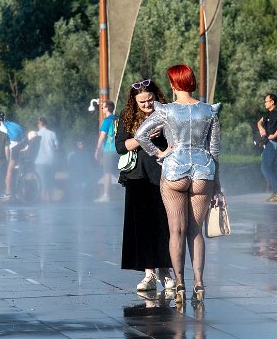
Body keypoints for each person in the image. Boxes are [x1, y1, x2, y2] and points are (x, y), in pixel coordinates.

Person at [135, 64, 220, 304]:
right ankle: (200, 284)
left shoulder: (165, 111)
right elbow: (214, 151)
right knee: (196, 231)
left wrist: (160, 153)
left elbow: (141, 134)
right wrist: (218, 185)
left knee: (176, 231)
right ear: (191, 82)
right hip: (203, 171)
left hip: (174, 171)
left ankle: (180, 284)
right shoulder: (209, 111)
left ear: (173, 84)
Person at [115, 78, 174, 293]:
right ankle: (149, 273)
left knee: (165, 225)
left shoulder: (166, 113)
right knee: (143, 227)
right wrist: (143, 137)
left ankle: (166, 271)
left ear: (156, 96)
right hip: (137, 176)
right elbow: (121, 146)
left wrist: (163, 135)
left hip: (163, 175)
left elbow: (177, 142)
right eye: (142, 102)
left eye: (150, 100)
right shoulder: (127, 117)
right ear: (134, 102)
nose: (147, 104)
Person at [256, 93, 277, 201]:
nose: (265, 103)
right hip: (270, 144)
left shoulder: (275, 113)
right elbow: (259, 122)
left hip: (273, 144)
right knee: (272, 169)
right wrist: (261, 128)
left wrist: (275, 135)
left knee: (265, 168)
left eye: (266, 101)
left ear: (272, 102)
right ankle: (276, 193)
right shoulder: (268, 114)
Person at [0, 112, 24, 201]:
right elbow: (21, 138)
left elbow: (2, 141)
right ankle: (12, 191)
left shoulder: (1, 127)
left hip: (10, 149)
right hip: (17, 148)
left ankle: (8, 192)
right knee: (11, 170)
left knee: (8, 170)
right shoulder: (13, 125)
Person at [94, 100, 118, 202]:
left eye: (103, 107)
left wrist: (97, 150)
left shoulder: (107, 121)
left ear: (107, 108)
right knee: (117, 173)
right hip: (118, 149)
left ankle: (106, 195)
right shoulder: (117, 119)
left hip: (108, 149)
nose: (102, 109)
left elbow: (102, 136)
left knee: (107, 172)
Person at [35, 117, 59, 202]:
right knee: (50, 180)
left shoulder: (36, 134)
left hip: (39, 162)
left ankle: (43, 201)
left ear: (40, 124)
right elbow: (57, 148)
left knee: (42, 183)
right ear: (46, 124)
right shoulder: (52, 134)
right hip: (50, 161)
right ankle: (50, 200)